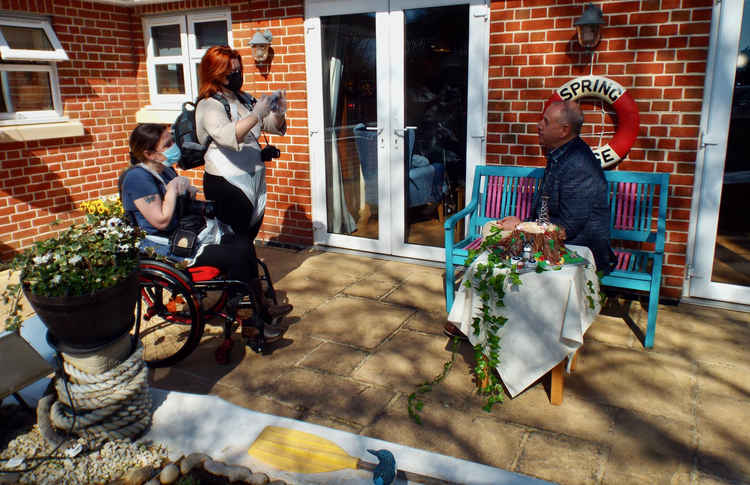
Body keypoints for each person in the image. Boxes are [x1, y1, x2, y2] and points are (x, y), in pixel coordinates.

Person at [120, 123, 291, 352]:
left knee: (243, 244)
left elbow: (181, 204)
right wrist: (172, 191)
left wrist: (186, 192)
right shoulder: (137, 179)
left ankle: (261, 308)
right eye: (167, 144)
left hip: (185, 235)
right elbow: (160, 221)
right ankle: (251, 324)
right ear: (149, 153)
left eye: (172, 140)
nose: (174, 147)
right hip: (165, 247)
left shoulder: (164, 168)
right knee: (236, 256)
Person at [499, 100, 615, 273]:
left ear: (564, 130)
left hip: (579, 253)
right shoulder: (560, 153)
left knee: (502, 266)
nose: (539, 125)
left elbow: (568, 226)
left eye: (545, 121)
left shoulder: (579, 164)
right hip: (554, 244)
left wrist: (521, 227)